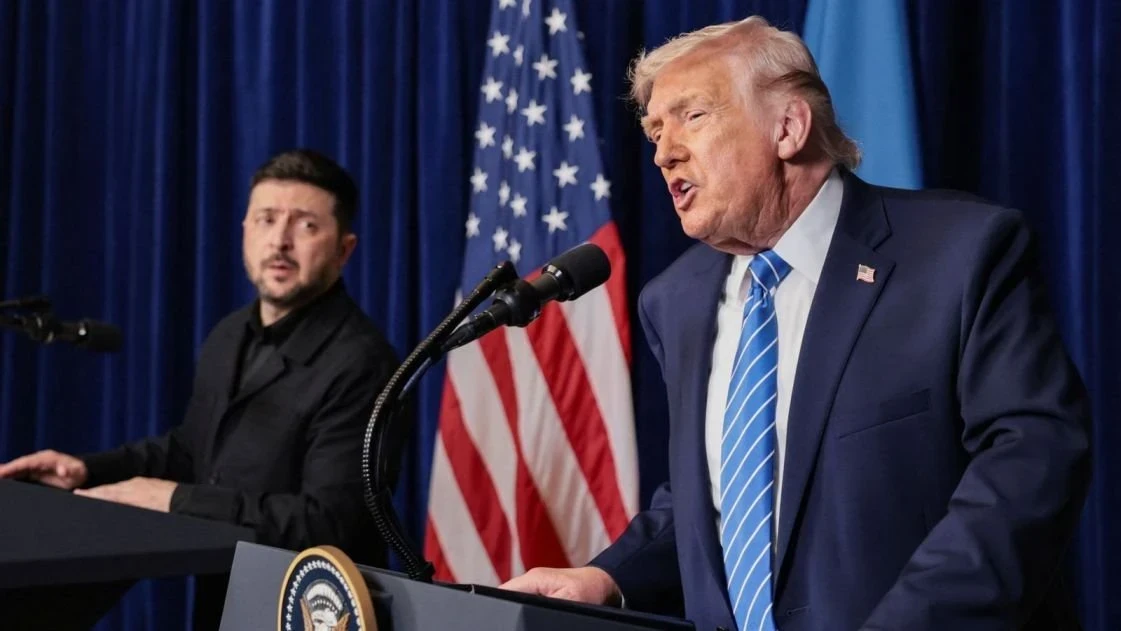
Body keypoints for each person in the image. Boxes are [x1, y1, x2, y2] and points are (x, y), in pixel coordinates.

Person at [500, 16, 1091, 631]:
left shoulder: (959, 255)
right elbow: (721, 500)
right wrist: (609, 578)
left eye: (692, 116)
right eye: (654, 131)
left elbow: (1030, 464)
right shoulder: (675, 301)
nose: (663, 152)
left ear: (788, 127)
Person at [0, 149, 399, 629]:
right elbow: (194, 452)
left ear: (344, 250)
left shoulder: (362, 361)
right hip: (223, 602)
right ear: (245, 231)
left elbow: (327, 522)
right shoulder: (229, 334)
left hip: (310, 611)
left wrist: (175, 500)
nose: (280, 241)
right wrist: (87, 471)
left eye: (306, 225)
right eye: (266, 219)